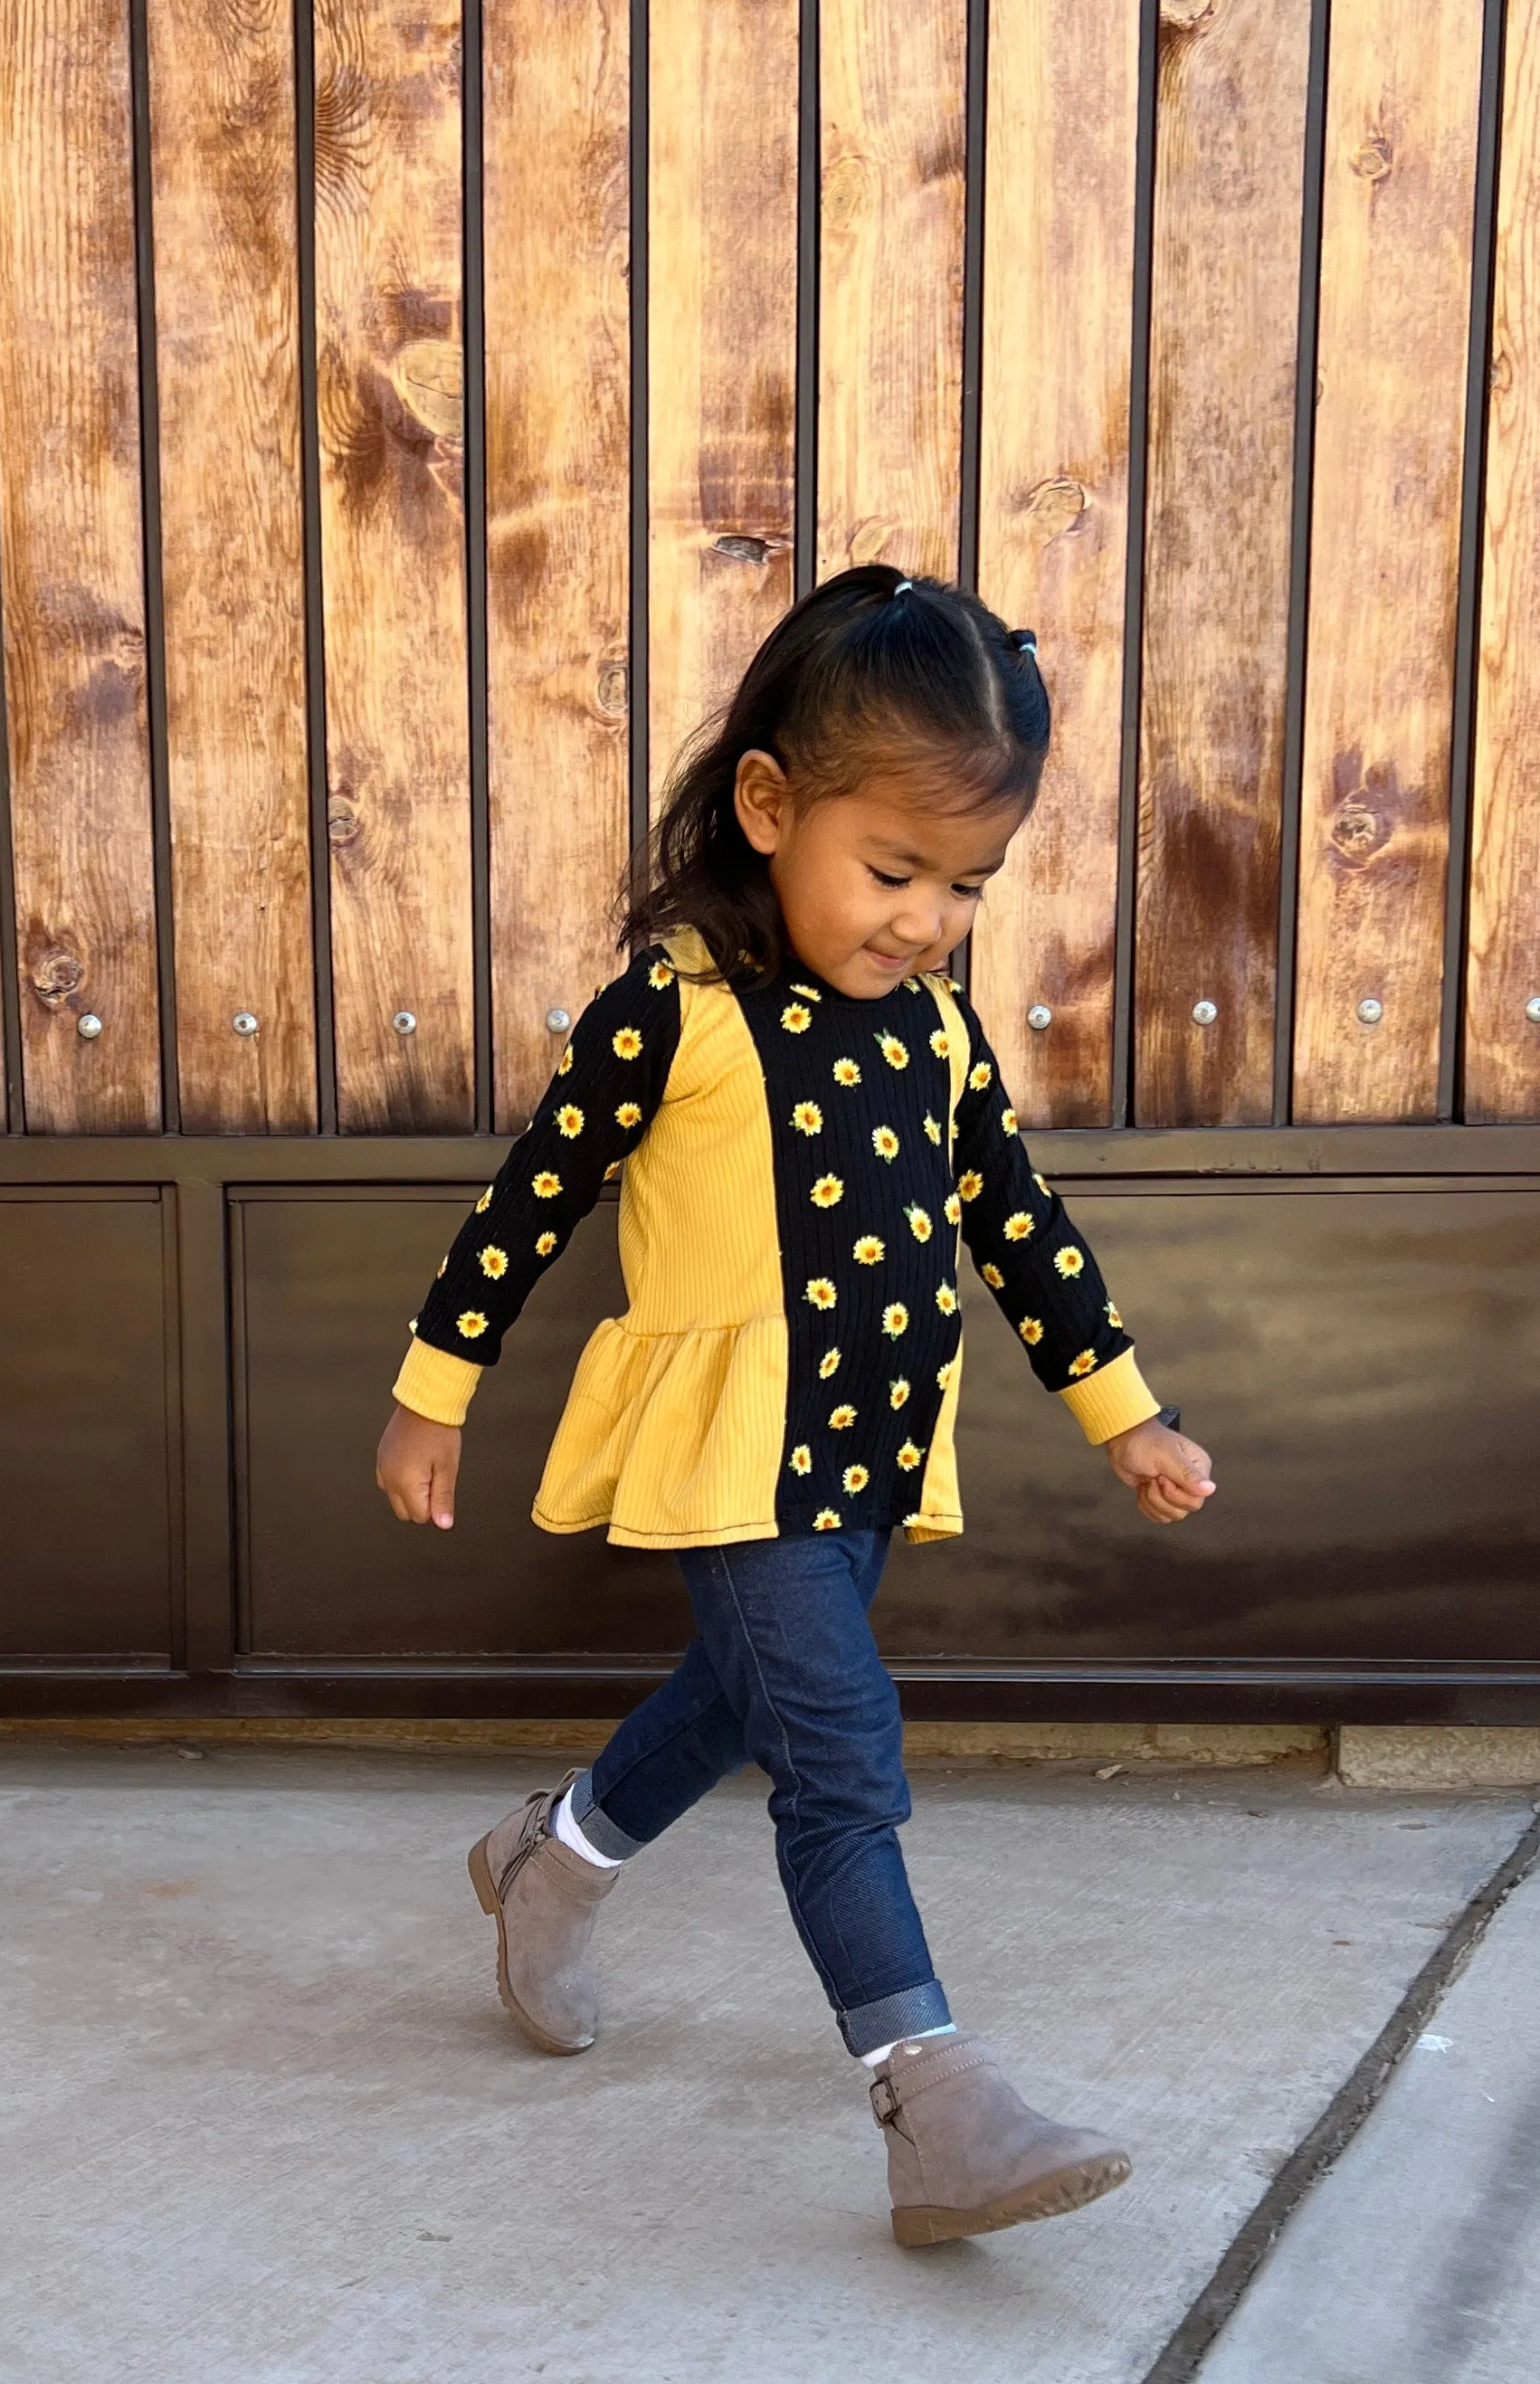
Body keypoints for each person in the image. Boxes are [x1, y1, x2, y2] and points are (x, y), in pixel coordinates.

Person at [374, 566, 1217, 2247]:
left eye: (966, 885)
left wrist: (1123, 1412)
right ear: (770, 805)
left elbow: (1020, 1230)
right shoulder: (672, 1019)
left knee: (740, 1698)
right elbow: (525, 1206)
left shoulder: (941, 1039)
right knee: (840, 1759)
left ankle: (550, 1860)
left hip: (869, 1446)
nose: (924, 919)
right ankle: (933, 2101)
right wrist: (431, 1396)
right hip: (725, 1452)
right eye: (892, 870)